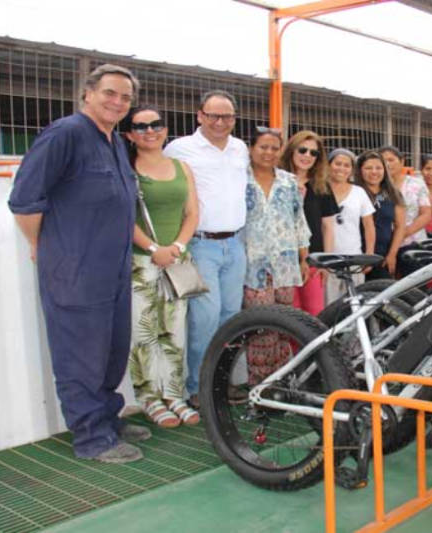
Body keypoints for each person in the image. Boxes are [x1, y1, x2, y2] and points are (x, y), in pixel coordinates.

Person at [7, 64, 151, 463]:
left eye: (125, 97)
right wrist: (46, 246)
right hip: (76, 270)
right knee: (80, 357)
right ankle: (92, 439)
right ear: (88, 93)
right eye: (110, 93)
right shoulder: (66, 134)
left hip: (114, 270)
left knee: (111, 352)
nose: (117, 102)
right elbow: (24, 201)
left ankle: (108, 418)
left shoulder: (114, 142)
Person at [163, 89, 248, 410]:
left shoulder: (240, 149)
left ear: (234, 119)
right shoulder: (180, 148)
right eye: (212, 115)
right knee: (205, 318)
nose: (219, 122)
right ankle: (198, 387)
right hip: (200, 244)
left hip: (235, 244)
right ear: (199, 116)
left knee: (231, 318)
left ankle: (222, 383)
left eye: (226, 116)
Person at [124, 105, 200, 428]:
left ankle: (174, 395)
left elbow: (192, 213)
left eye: (156, 125)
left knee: (174, 331)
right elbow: (123, 217)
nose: (150, 131)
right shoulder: (127, 169)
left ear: (166, 130)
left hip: (176, 260)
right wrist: (154, 248)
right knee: (144, 333)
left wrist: (177, 247)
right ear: (129, 134)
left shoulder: (182, 167)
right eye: (141, 127)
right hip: (141, 262)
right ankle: (149, 398)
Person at [241, 127, 311, 386]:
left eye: (274, 148)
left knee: (284, 324)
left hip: (285, 263)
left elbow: (298, 221)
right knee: (261, 327)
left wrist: (303, 258)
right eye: (263, 147)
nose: (268, 153)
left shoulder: (288, 181)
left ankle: (283, 381)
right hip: (253, 263)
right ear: (251, 149)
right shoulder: (239, 179)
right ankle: (260, 385)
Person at [280, 130, 339, 316]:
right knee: (290, 313)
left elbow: (328, 227)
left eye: (313, 153)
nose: (307, 156)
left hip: (313, 260)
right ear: (291, 150)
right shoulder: (277, 181)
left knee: (314, 312)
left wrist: (325, 262)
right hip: (283, 260)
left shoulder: (321, 185)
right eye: (303, 150)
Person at [325, 148, 376, 303]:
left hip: (353, 258)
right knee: (328, 305)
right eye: (337, 163)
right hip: (326, 260)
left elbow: (369, 226)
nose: (341, 168)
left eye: (346, 165)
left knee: (354, 305)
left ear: (352, 169)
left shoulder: (359, 192)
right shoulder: (320, 189)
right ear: (328, 165)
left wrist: (368, 255)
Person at [354, 151, 405, 279]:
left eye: (378, 168)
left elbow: (400, 226)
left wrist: (392, 255)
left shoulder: (393, 194)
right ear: (360, 170)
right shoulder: (354, 192)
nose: (374, 172)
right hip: (357, 254)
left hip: (383, 256)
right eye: (368, 168)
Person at [379, 145, 431, 245]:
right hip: (384, 243)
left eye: (391, 160)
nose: (388, 164)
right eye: (383, 161)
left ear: (402, 161)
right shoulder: (377, 186)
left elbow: (426, 214)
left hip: (414, 242)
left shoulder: (416, 183)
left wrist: (402, 234)